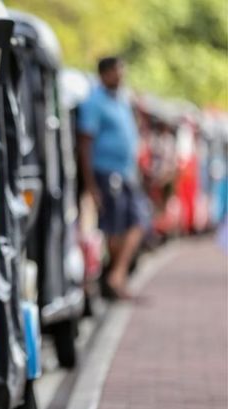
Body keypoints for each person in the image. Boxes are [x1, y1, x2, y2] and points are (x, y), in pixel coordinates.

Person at [77, 56, 149, 299]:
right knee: (115, 227)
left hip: (126, 173)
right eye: (117, 71)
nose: (121, 75)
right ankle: (113, 278)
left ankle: (116, 274)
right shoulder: (94, 102)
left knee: (139, 221)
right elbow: (85, 145)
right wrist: (91, 185)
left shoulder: (122, 99)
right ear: (105, 73)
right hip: (106, 173)